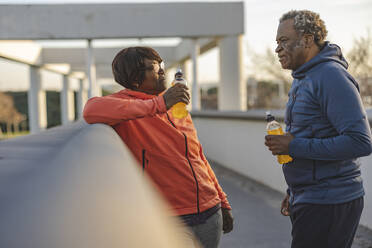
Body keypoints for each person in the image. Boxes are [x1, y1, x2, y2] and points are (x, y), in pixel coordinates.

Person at [83, 46, 233, 248]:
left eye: (161, 65)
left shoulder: (177, 108)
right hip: (170, 219)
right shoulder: (125, 106)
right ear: (135, 78)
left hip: (210, 212)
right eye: (155, 67)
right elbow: (91, 110)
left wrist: (222, 201)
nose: (163, 71)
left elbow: (198, 157)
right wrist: (159, 104)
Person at [264, 10, 372, 248]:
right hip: (310, 197)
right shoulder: (303, 77)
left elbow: (360, 141)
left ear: (307, 40)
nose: (277, 49)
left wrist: (292, 145)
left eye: (284, 41)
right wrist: (295, 190)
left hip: (331, 201)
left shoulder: (331, 76)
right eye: (277, 43)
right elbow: (313, 132)